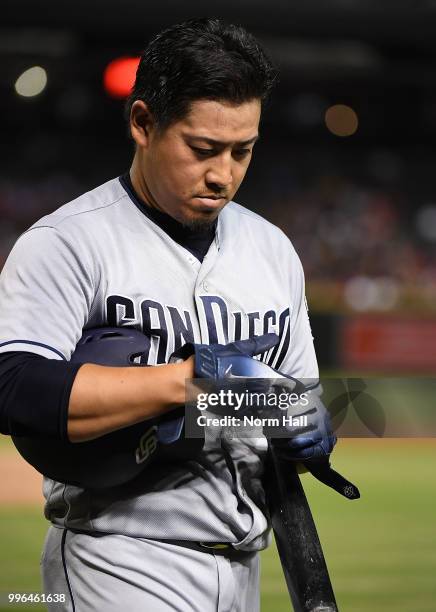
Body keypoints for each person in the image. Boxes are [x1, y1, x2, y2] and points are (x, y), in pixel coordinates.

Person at [0, 18, 336, 611]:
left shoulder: (272, 250)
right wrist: (191, 381)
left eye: (243, 151)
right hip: (119, 558)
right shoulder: (68, 242)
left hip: (242, 566)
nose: (223, 174)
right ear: (143, 124)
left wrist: (303, 421)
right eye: (202, 149)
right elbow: (15, 388)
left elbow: (291, 398)